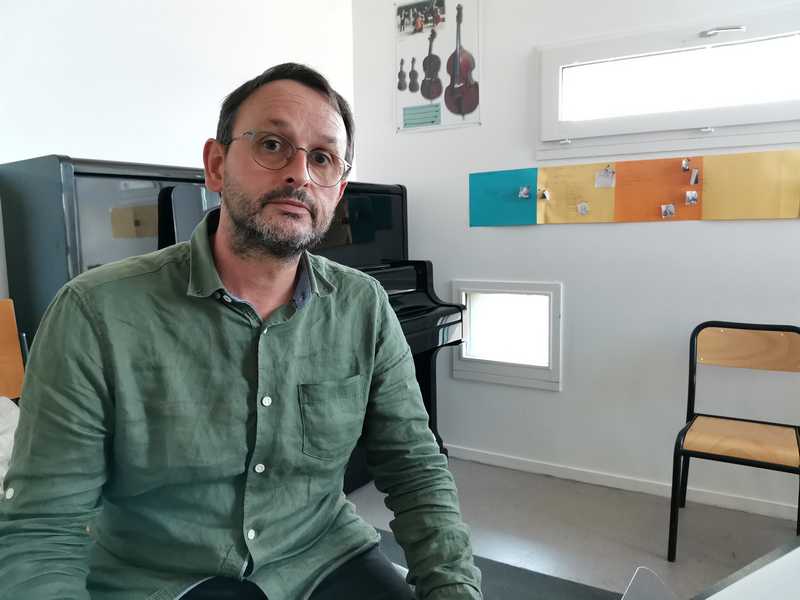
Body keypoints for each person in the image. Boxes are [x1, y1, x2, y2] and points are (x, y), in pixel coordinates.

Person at [0, 63, 482, 599]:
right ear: (216, 165)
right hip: (162, 575)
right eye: (273, 145)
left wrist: (454, 588)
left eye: (322, 158)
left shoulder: (362, 304)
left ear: (338, 191)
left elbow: (415, 467)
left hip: (322, 552)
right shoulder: (94, 312)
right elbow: (42, 528)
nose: (300, 174)